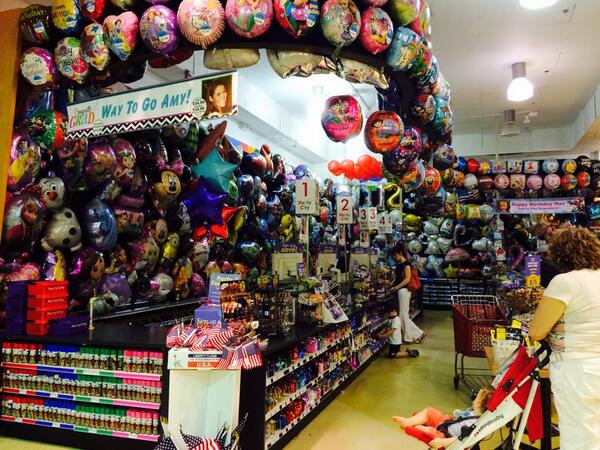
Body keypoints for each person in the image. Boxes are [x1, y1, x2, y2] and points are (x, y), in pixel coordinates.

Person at [529, 227, 600, 449]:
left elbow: (537, 331)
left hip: (577, 369)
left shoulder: (564, 282)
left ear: (559, 255)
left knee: (580, 436)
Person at [392, 385, 495, 449]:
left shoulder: (474, 425)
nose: (475, 398)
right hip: (446, 423)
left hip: (445, 437)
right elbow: (463, 416)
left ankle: (413, 426)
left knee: (429, 431)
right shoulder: (476, 413)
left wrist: (442, 442)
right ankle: (409, 421)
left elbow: (462, 439)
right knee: (430, 411)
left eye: (477, 397)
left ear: (479, 403)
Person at [390, 243, 424, 343]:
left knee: (403, 315)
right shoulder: (399, 264)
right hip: (400, 291)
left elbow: (407, 279)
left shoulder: (406, 265)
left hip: (404, 291)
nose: (394, 257)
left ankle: (409, 338)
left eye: (395, 255)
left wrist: (396, 287)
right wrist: (391, 284)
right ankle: (417, 334)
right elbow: (398, 278)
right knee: (403, 315)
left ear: (400, 253)